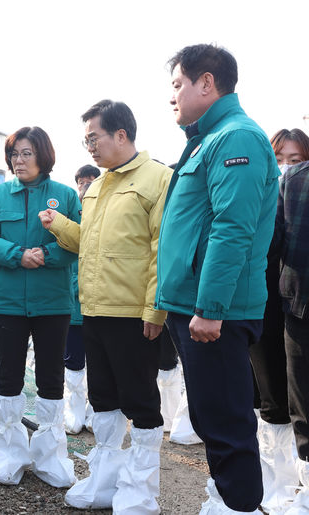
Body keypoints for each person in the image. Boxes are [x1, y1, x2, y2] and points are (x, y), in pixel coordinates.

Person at [155, 44, 279, 513]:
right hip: (194, 307)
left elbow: (233, 229)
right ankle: (226, 500)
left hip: (215, 313)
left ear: (207, 83)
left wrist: (209, 308)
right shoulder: (208, 138)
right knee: (213, 416)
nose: (173, 97)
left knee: (226, 422)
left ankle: (239, 506)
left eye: (178, 85)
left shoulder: (236, 138)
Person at [39, 100, 172, 514]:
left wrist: (155, 309)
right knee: (104, 399)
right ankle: (106, 483)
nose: (89, 147)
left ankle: (140, 492)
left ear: (121, 134)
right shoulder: (97, 186)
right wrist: (60, 226)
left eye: (94, 137)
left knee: (141, 402)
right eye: (86, 140)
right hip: (94, 310)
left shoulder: (158, 179)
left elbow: (161, 249)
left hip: (132, 313)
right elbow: (90, 245)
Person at [0, 126, 81, 488]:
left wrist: (45, 255)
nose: (19, 160)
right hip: (8, 303)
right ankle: (11, 454)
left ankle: (50, 457)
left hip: (52, 302)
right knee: (8, 376)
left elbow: (81, 240)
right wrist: (18, 255)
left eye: (27, 153)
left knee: (52, 376)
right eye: (15, 153)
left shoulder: (65, 196)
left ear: (44, 156)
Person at [250, 128, 309, 511]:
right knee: (270, 394)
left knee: (300, 393)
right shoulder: (257, 192)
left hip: (293, 300)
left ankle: (298, 486)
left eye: (296, 160)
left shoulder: (298, 196)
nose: (286, 169)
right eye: (280, 160)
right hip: (261, 302)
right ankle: (276, 485)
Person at [275, 158, 309, 513]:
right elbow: (275, 241)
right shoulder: (295, 179)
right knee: (302, 402)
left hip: (299, 303)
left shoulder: (294, 178)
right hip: (300, 305)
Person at [63, 164, 99, 435]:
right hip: (74, 308)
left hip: (101, 306)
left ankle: (95, 414)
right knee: (73, 362)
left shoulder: (106, 212)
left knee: (99, 364)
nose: (85, 186)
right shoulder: (70, 215)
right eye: (81, 182)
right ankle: (73, 414)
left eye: (90, 181)